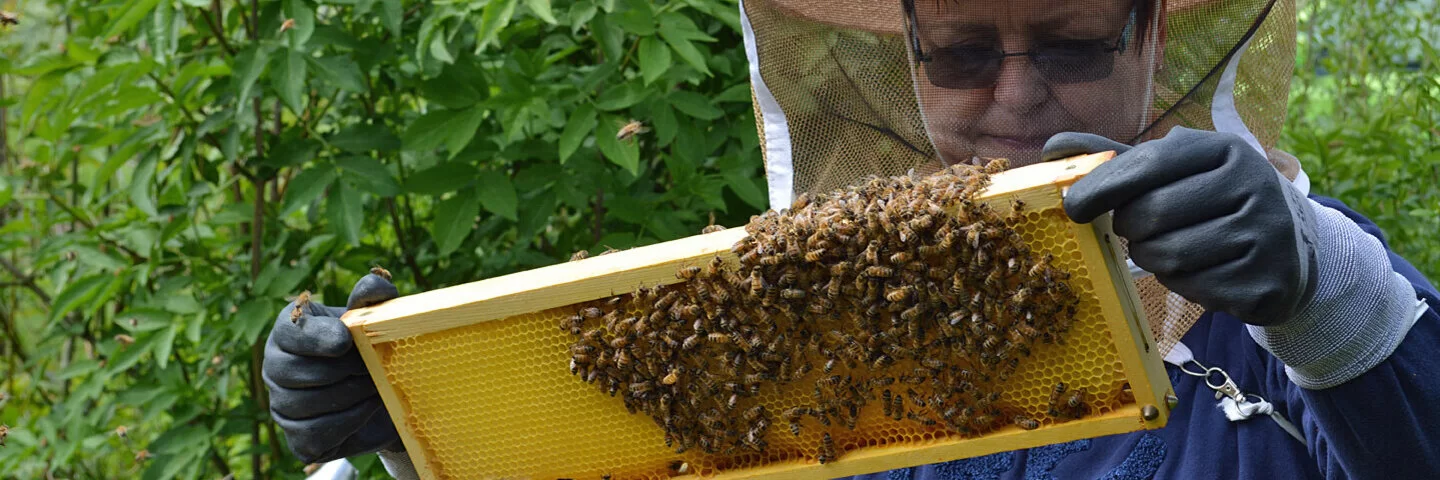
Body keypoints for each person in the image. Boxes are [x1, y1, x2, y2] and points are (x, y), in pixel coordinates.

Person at [263, 0, 1440, 478]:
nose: (1018, 105)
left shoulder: (1302, 294)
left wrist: (1328, 300)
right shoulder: (799, 328)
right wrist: (427, 437)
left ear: (1153, 45)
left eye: (1076, 45)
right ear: (907, 58)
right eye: (966, 55)